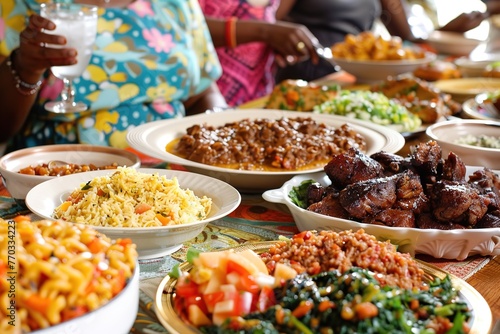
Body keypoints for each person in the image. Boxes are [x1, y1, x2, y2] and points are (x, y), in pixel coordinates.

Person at [0, 0, 228, 154]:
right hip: (57, 175)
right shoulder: (24, 6)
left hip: (167, 175)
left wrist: (219, 128)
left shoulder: (176, 4)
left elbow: (202, 93)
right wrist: (26, 68)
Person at [274, 0, 489, 82]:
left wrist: (448, 30)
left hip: (357, 79)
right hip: (307, 78)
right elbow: (270, 21)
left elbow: (409, 39)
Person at [198, 0, 322, 107]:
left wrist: (279, 41)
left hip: (260, 97)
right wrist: (265, 32)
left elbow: (266, 16)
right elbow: (188, 28)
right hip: (209, 98)